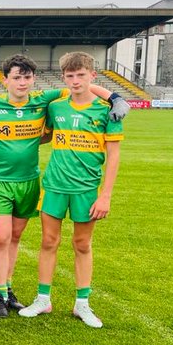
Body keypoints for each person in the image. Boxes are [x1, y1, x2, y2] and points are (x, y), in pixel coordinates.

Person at [0, 54, 123, 317]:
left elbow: (81, 90)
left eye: (27, 77)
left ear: (34, 79)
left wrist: (115, 98)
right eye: (16, 77)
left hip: (36, 181)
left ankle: (19, 292)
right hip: (11, 181)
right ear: (5, 79)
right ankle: (4, 294)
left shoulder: (46, 102)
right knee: (5, 237)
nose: (22, 82)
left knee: (27, 238)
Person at [18, 51, 124, 328]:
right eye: (70, 75)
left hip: (87, 189)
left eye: (81, 75)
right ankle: (43, 299)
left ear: (92, 76)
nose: (75, 80)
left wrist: (105, 195)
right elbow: (46, 134)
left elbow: (113, 155)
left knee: (82, 244)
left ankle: (82, 303)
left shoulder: (107, 111)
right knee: (48, 242)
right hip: (54, 184)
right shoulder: (57, 107)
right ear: (63, 77)